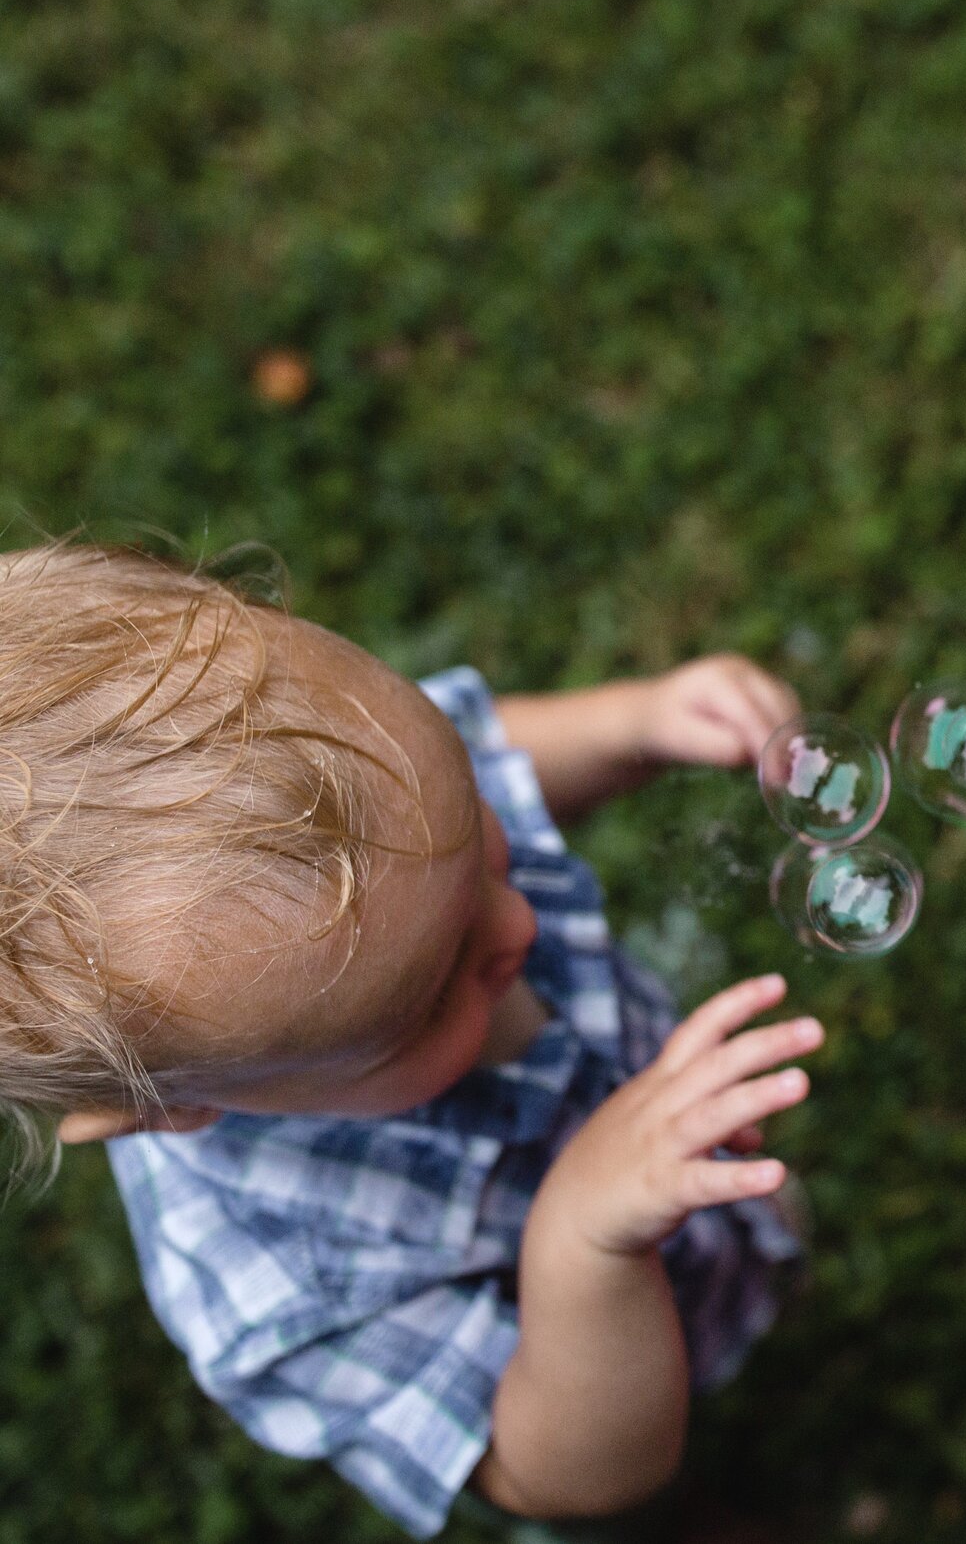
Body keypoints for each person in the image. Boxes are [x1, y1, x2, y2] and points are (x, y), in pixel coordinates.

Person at [0, 544, 822, 1535]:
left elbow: (494, 741)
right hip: (618, 1384)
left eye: (475, 829)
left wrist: (632, 725)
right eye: (431, 994)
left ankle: (752, 1260)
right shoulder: (283, 1278)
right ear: (169, 1106)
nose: (515, 926)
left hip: (693, 1185)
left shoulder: (363, 775)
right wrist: (580, 1244)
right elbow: (553, 1473)